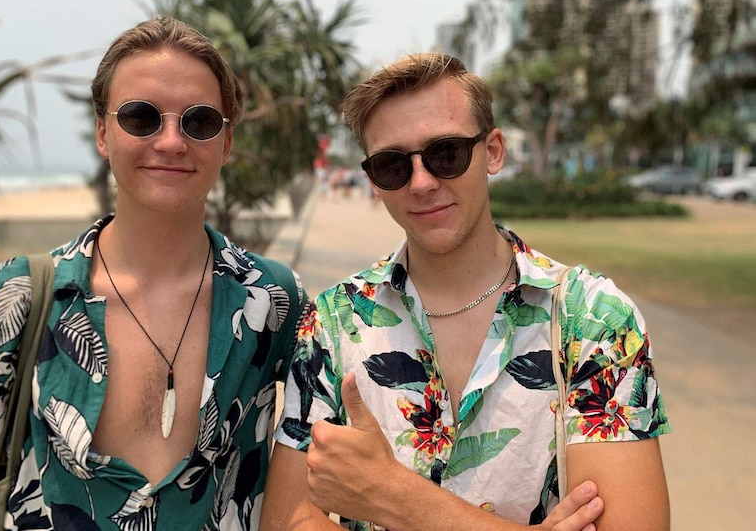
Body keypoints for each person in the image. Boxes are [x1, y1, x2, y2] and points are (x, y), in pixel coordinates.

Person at [0, 17, 308, 530]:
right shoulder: (16, 297)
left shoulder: (275, 303)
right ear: (102, 133)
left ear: (225, 144)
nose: (171, 141)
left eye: (199, 121)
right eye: (141, 117)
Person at [262, 53, 671, 530]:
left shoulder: (594, 318)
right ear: (373, 180)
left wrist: (392, 496)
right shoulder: (334, 320)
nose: (421, 182)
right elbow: (288, 520)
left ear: (492, 151)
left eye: (447, 153)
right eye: (393, 165)